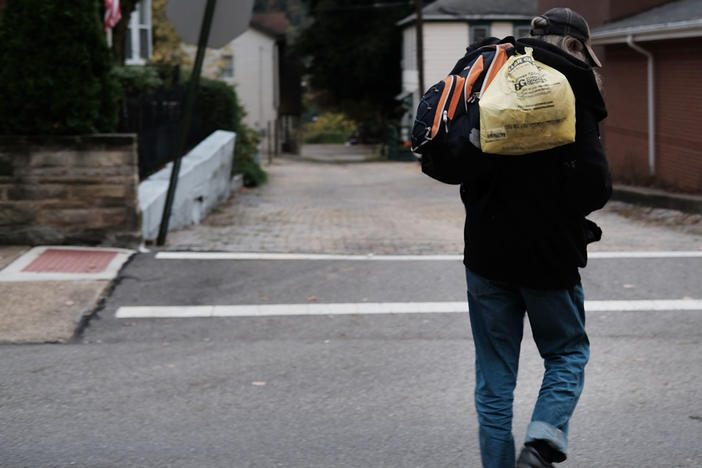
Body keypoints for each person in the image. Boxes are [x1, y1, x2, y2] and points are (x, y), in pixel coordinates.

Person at [457, 8, 611, 468]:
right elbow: (596, 188)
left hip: (485, 254)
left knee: (494, 378)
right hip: (549, 255)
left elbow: (464, 167)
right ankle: (542, 443)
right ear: (575, 46)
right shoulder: (574, 90)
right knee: (567, 353)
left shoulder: (492, 81)